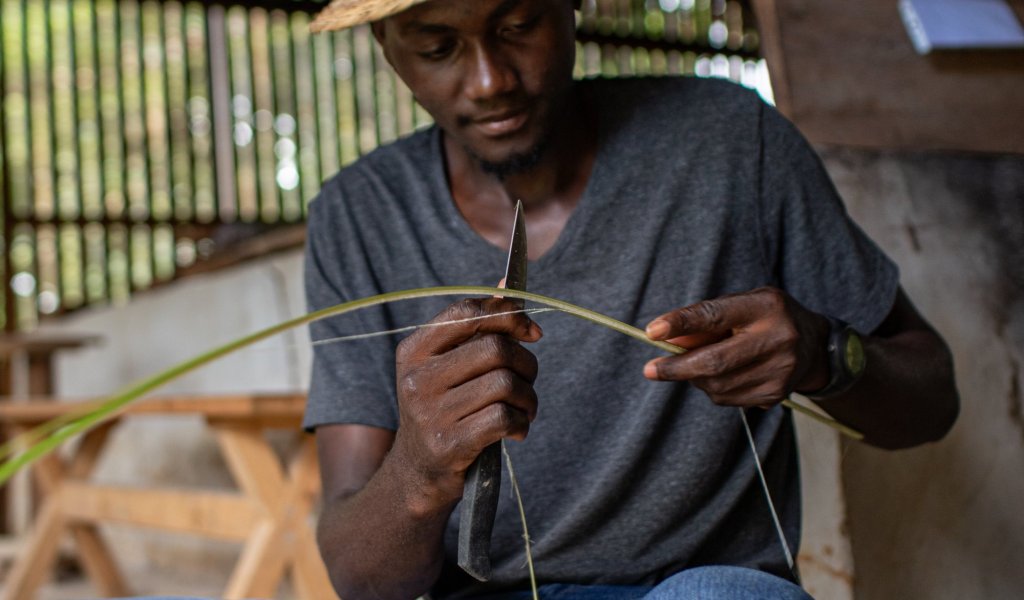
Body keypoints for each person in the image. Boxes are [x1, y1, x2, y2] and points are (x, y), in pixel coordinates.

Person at [301, 1, 960, 598]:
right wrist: (420, 470)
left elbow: (932, 400)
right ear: (388, 46)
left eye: (518, 27)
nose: (489, 80)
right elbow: (360, 580)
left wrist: (826, 355)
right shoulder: (359, 217)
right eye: (438, 47)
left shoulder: (729, 143)